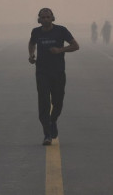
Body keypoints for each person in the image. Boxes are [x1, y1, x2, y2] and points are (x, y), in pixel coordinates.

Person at [28, 8, 79, 146]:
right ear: (39, 19)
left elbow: (75, 46)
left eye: (47, 17)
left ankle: (53, 120)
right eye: (42, 17)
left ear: (52, 18)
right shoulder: (36, 32)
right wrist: (32, 55)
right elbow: (32, 43)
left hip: (58, 72)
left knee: (58, 102)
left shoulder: (61, 30)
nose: (45, 19)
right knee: (43, 103)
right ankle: (47, 134)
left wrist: (60, 50)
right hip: (42, 73)